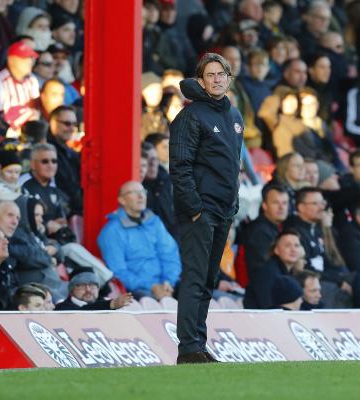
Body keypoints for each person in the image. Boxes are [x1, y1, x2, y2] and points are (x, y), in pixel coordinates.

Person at [169, 53, 243, 364]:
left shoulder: (235, 115)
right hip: (201, 212)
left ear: (229, 78)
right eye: (210, 75)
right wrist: (195, 208)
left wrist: (233, 203)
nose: (216, 79)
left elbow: (232, 165)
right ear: (200, 80)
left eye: (221, 74)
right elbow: (179, 167)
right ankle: (188, 348)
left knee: (209, 280)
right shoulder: (190, 116)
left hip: (224, 211)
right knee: (196, 278)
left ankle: (198, 344)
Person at [97, 181, 181, 300]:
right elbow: (118, 272)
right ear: (122, 200)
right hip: (136, 290)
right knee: (148, 300)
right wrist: (151, 286)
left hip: (166, 285)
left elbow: (170, 255)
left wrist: (168, 281)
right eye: (134, 192)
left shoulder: (154, 222)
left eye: (143, 191)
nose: (141, 196)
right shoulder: (111, 232)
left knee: (200, 294)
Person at [55, 268, 133, 311]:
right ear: (71, 290)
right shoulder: (62, 308)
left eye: (92, 285)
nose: (88, 289)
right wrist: (112, 304)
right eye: (82, 285)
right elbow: (80, 312)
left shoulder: (106, 303)